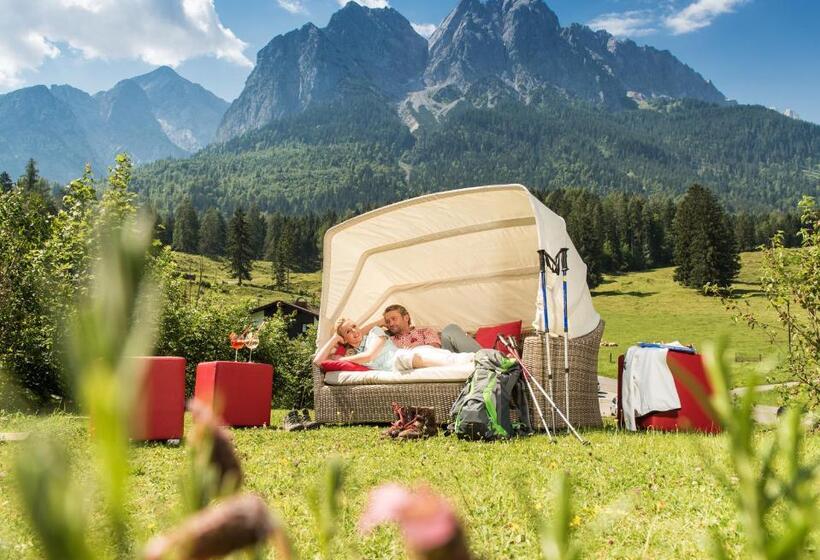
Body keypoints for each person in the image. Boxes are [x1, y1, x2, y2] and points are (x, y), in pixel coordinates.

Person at [313, 317, 474, 372]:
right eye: (348, 332)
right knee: (440, 359)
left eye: (354, 326)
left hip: (401, 356)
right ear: (344, 339)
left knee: (443, 357)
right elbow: (317, 362)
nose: (355, 331)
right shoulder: (351, 354)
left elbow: (369, 356)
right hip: (398, 365)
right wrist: (334, 338)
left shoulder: (375, 332)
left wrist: (342, 360)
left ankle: (474, 360)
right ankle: (473, 361)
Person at [382, 304, 481, 354]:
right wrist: (378, 323)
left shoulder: (424, 331)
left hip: (439, 357)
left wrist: (413, 348)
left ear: (406, 318)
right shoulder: (389, 340)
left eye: (394, 319)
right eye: (387, 321)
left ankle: (487, 359)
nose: (390, 323)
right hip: (412, 364)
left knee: (451, 329)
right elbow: (366, 339)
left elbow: (435, 348)